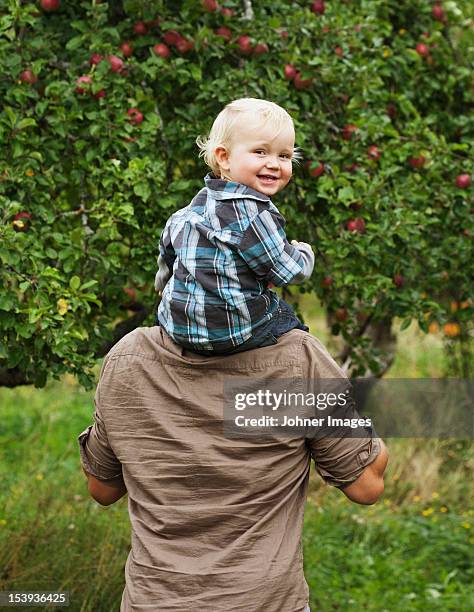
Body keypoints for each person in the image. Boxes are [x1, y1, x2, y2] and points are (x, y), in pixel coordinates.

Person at [78, 325, 388, 612]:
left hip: (154, 601)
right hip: (261, 602)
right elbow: (366, 485)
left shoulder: (128, 356)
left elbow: (102, 489)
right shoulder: (299, 359)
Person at [154, 98, 316, 355]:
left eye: (284, 155)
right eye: (260, 152)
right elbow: (288, 271)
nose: (274, 163)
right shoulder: (253, 215)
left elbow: (167, 255)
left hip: (178, 326)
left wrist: (163, 281)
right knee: (287, 319)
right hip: (234, 330)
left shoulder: (189, 210)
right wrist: (304, 252)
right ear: (224, 157)